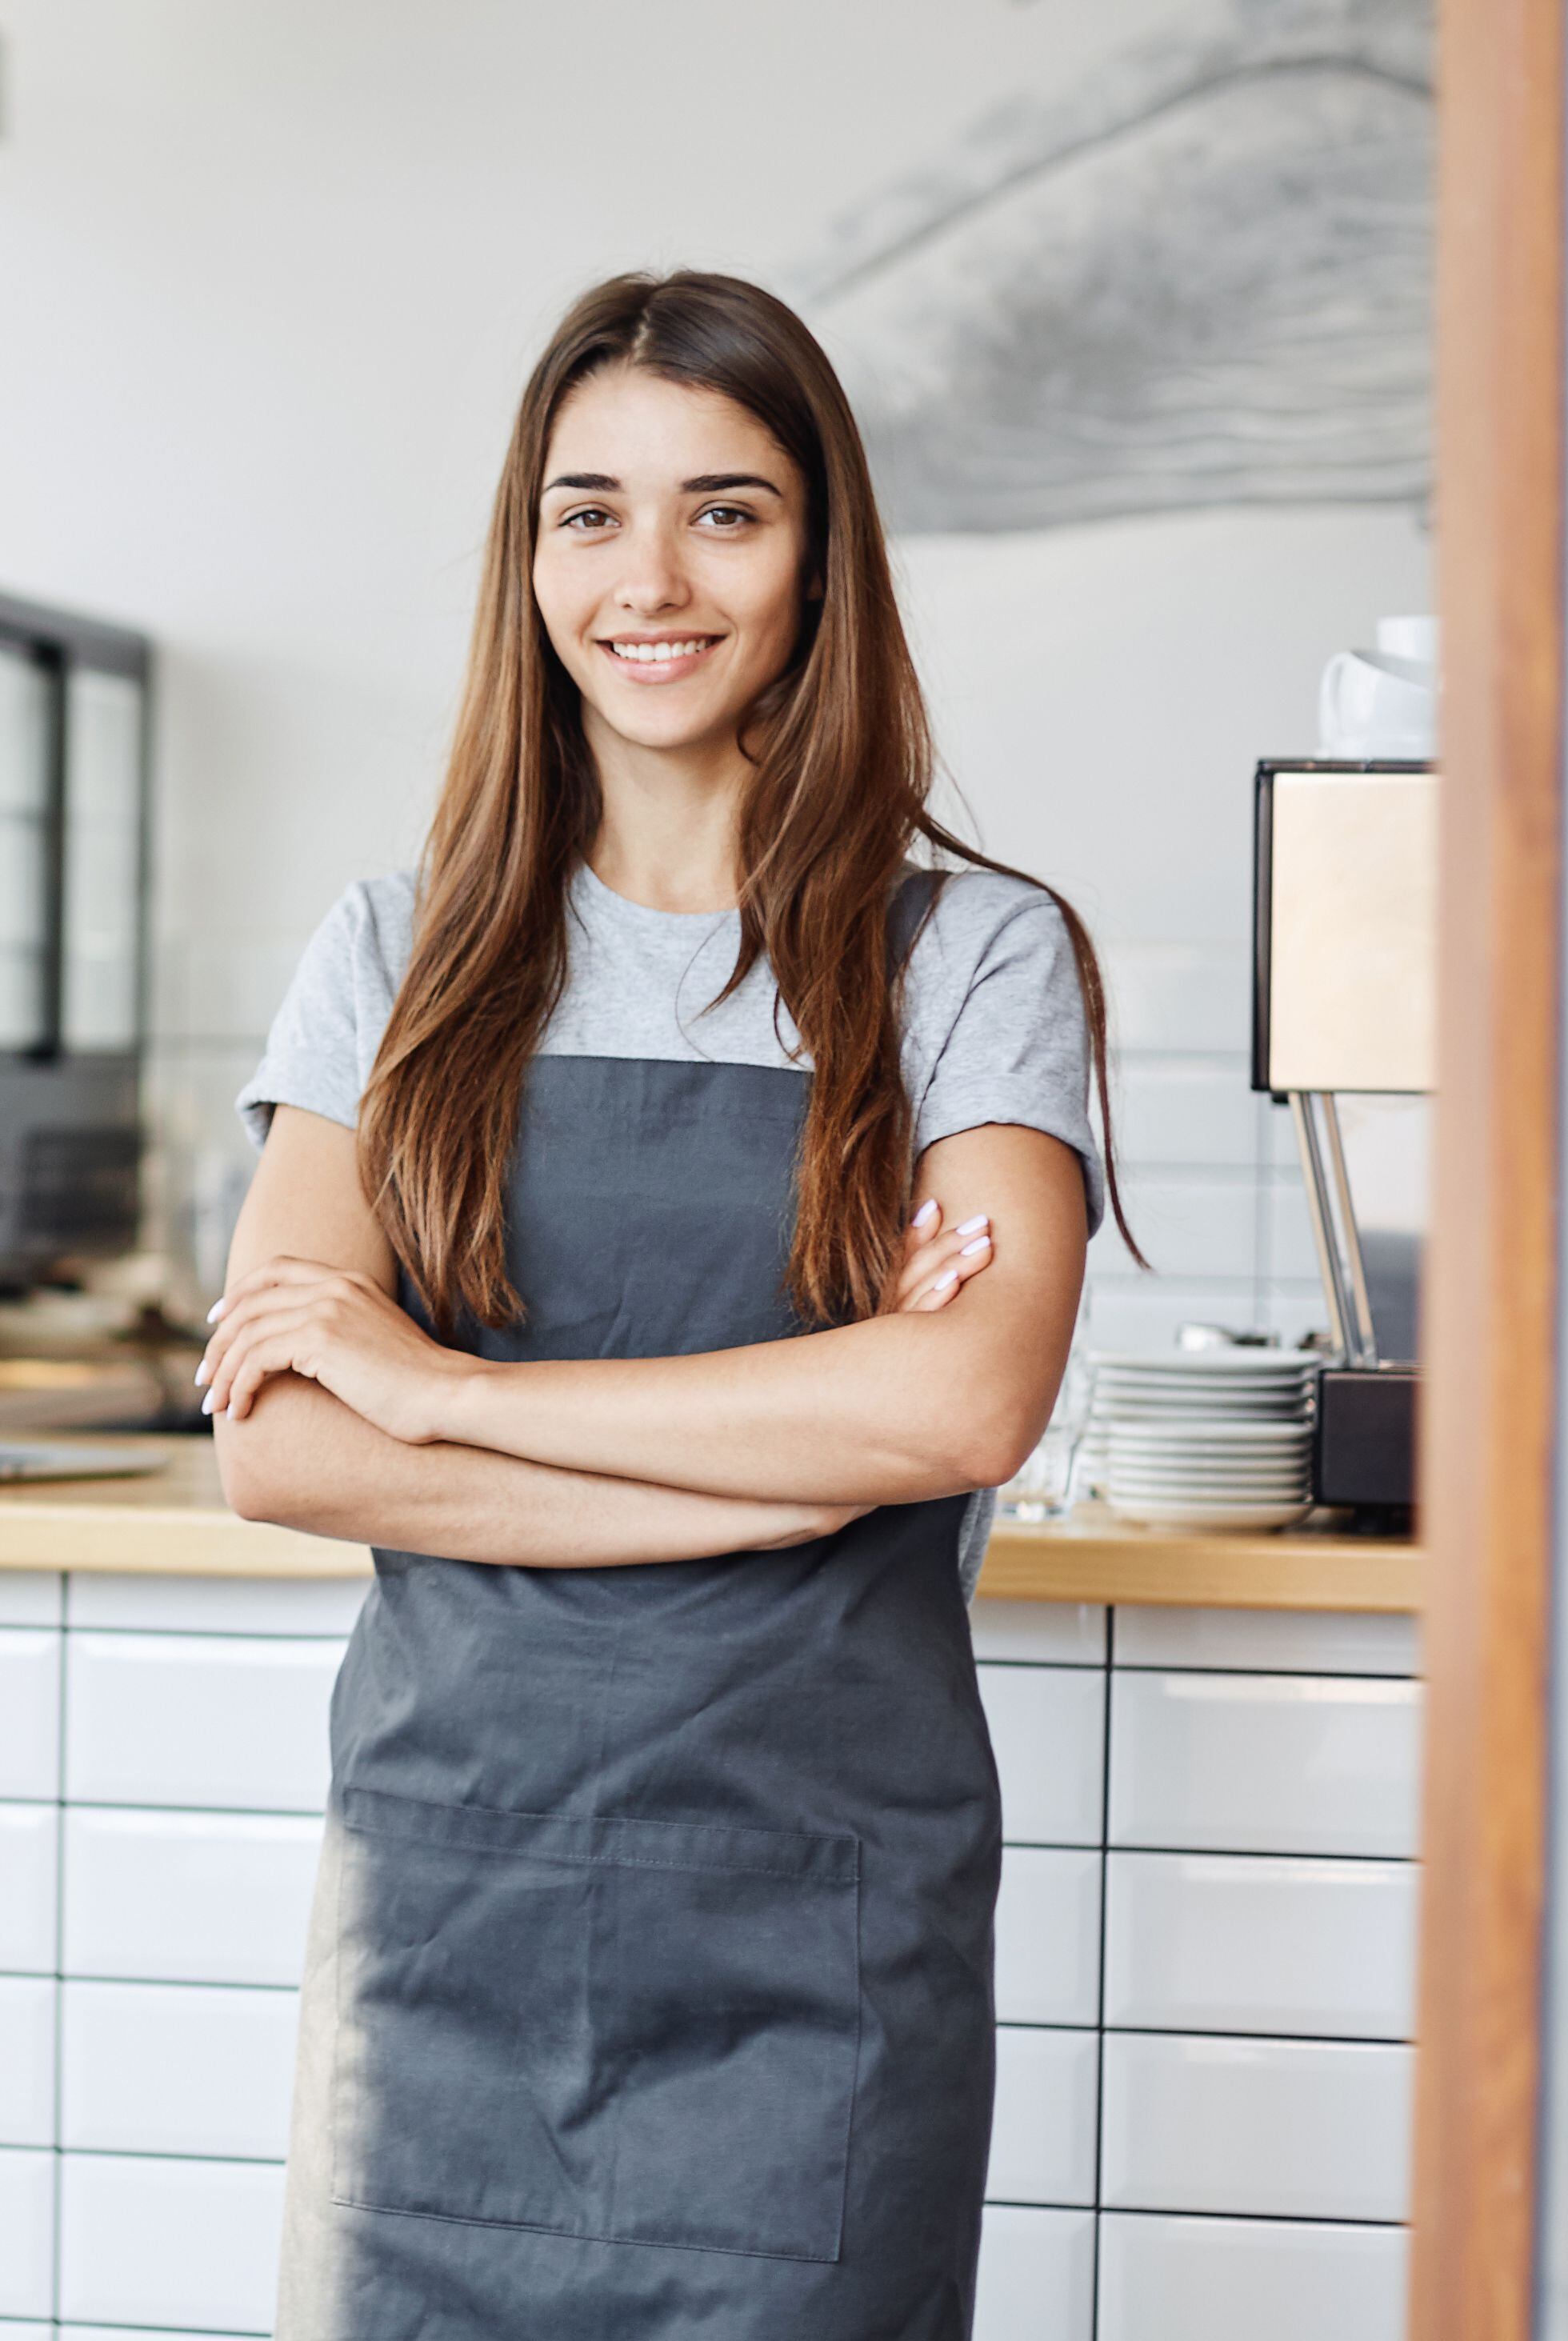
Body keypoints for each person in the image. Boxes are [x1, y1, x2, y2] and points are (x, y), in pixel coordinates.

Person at [201, 270, 1126, 2339]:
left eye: (727, 510)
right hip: (452, 1910)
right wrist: (795, 1460)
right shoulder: (394, 956)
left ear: (819, 557)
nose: (652, 576)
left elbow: (962, 1411)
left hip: (820, 1943)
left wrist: (442, 1389)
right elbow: (279, 1448)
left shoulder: (971, 958)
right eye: (587, 510)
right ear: (529, 561)